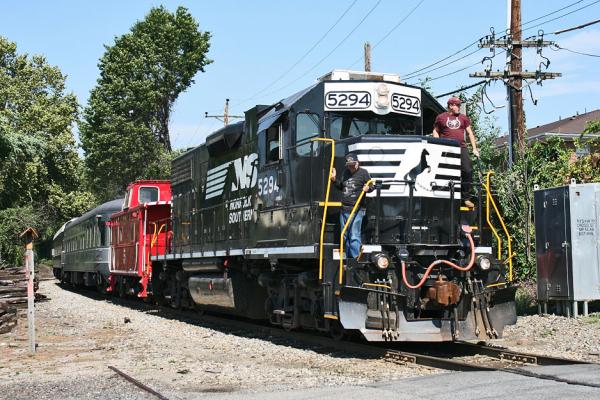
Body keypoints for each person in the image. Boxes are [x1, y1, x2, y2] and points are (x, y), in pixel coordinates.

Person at [432, 97, 480, 207]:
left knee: (467, 170)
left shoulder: (463, 118)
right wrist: (438, 144)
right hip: (446, 147)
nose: (459, 107)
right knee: (446, 172)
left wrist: (474, 148)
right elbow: (435, 131)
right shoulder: (441, 117)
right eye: (457, 105)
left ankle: (466, 198)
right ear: (450, 106)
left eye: (459, 105)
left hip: (461, 147)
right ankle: (443, 197)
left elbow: (470, 133)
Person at [330, 153, 373, 258]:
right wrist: (334, 180)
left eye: (352, 165)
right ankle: (348, 258)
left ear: (357, 163)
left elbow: (372, 186)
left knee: (354, 235)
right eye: (349, 165)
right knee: (344, 235)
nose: (351, 167)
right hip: (344, 209)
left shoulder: (363, 172)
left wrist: (368, 188)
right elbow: (341, 186)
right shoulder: (345, 172)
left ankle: (354, 259)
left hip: (356, 209)